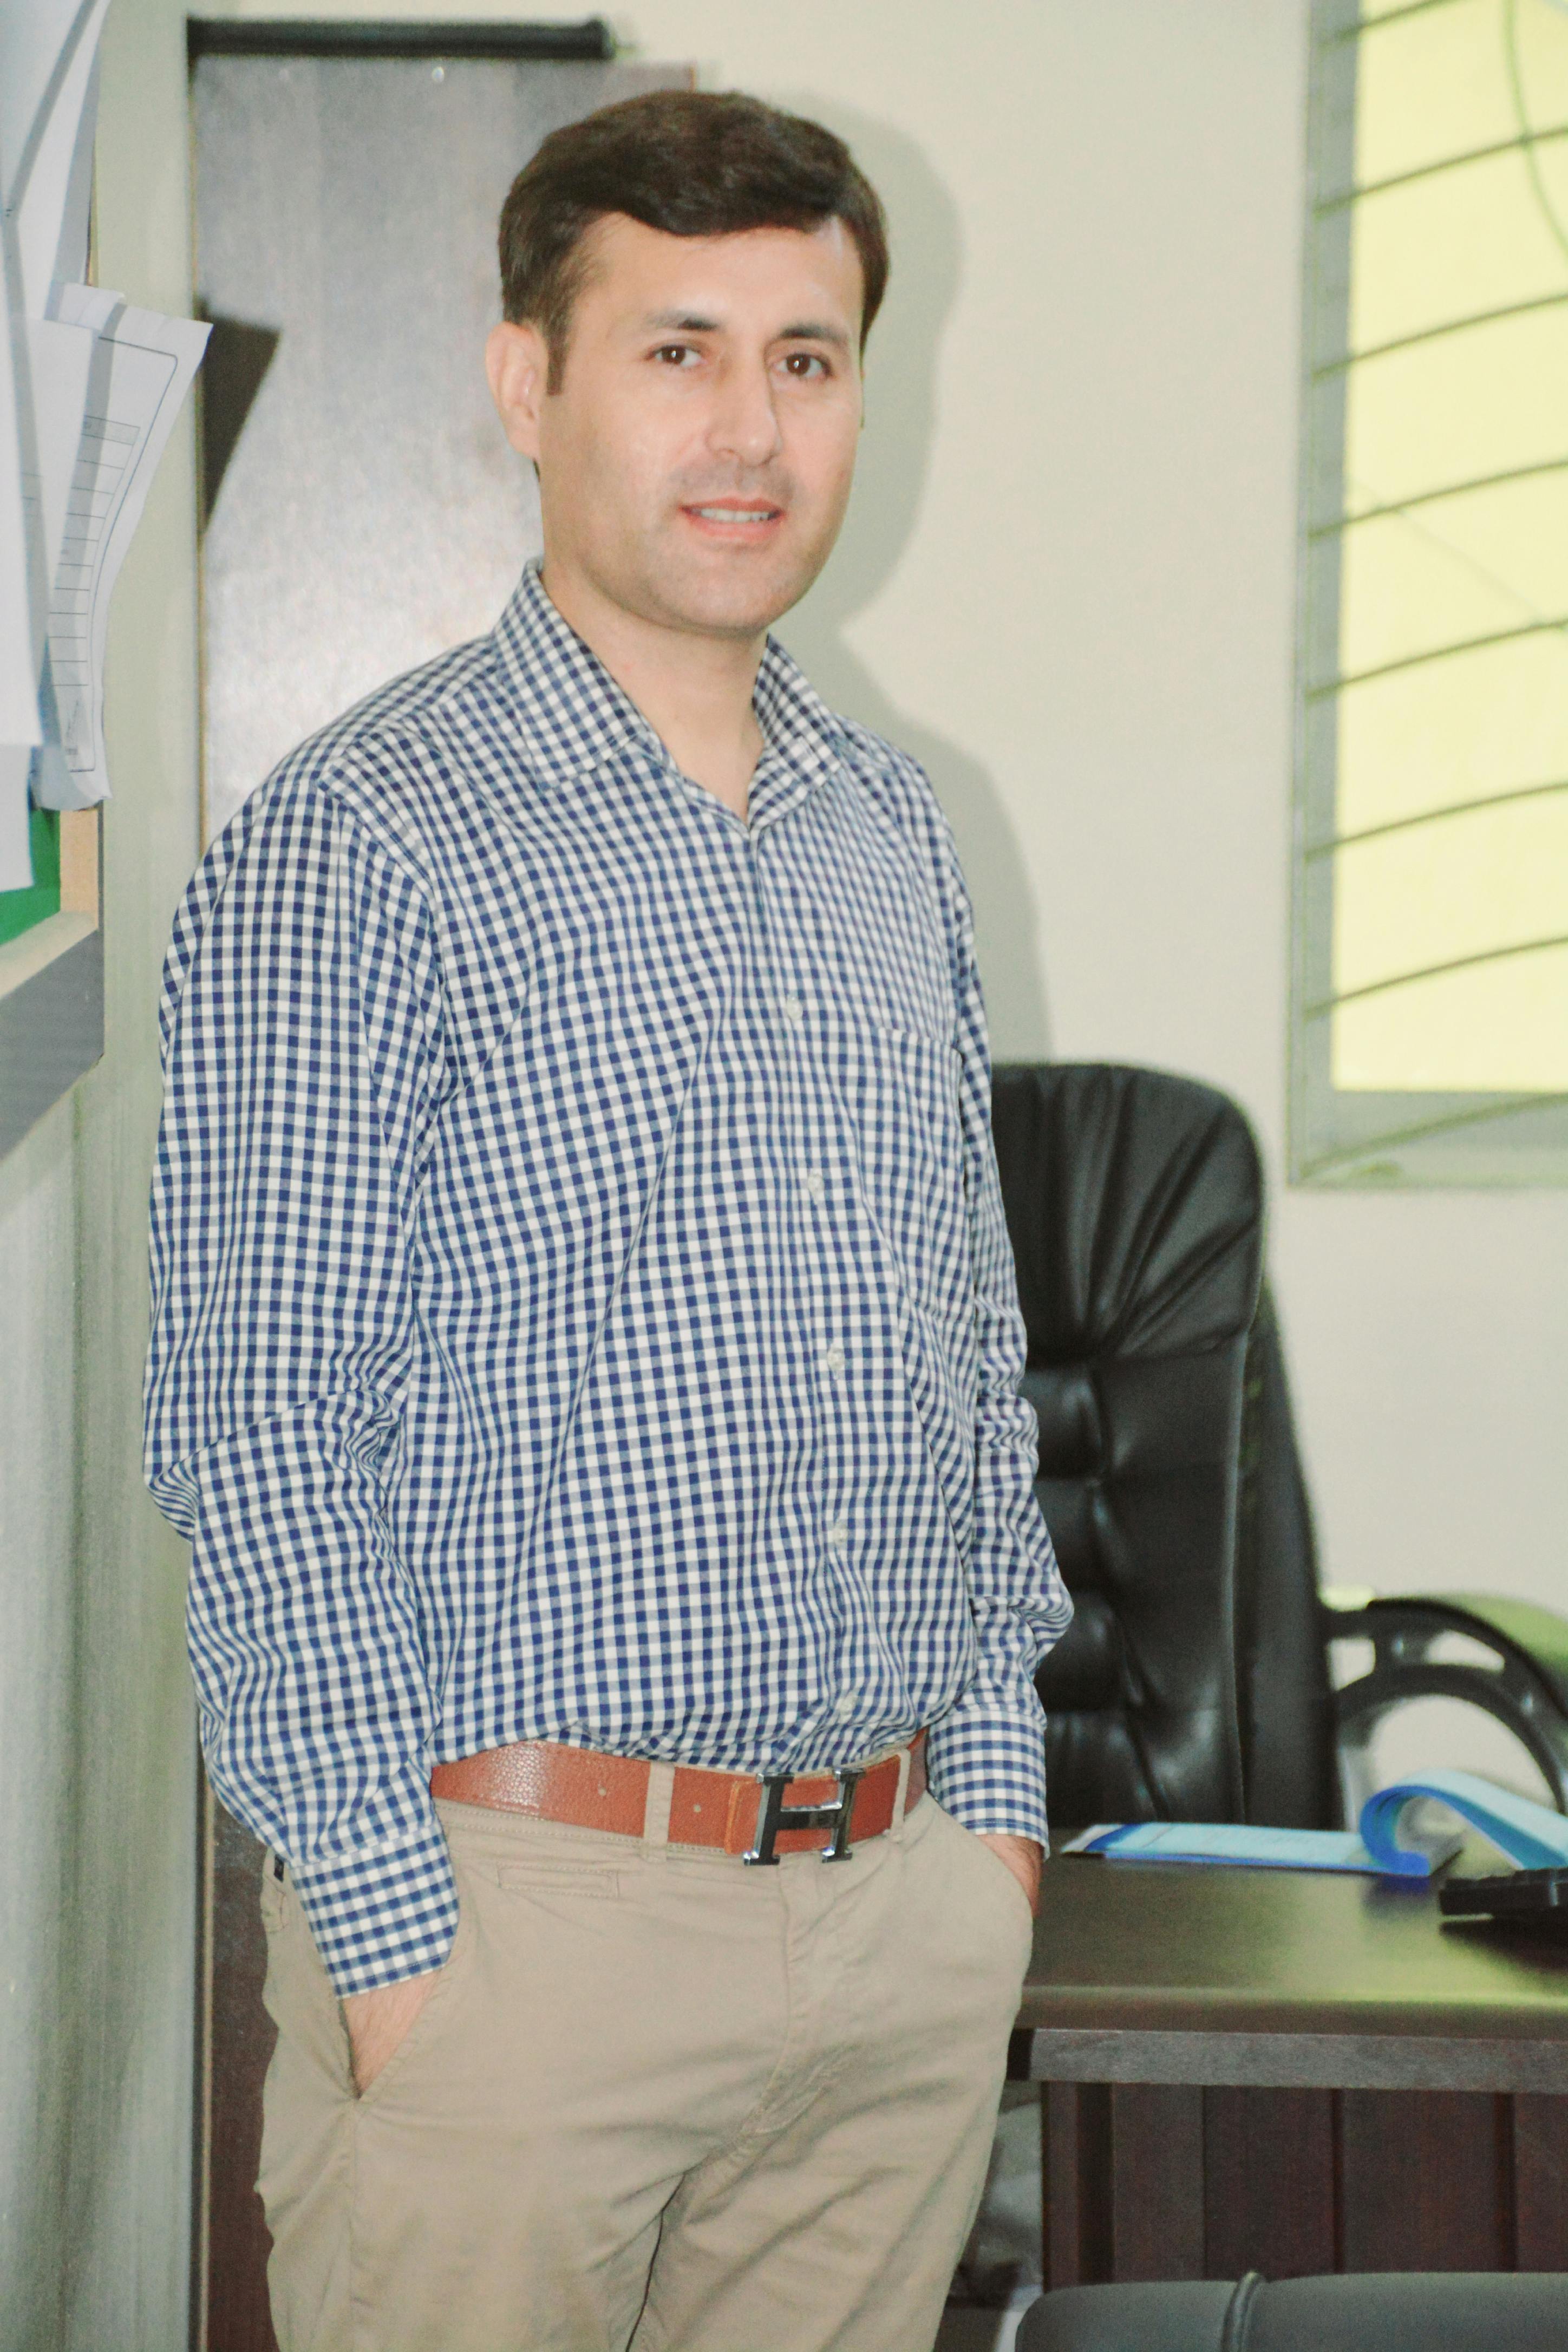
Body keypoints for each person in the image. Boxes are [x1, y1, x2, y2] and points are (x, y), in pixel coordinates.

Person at [145, 88, 1069, 2352]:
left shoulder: (892, 833)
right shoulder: (358, 842)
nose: (749, 429)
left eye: (805, 358)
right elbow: (258, 1433)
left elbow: (971, 1346)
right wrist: (396, 1943)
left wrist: (993, 1822)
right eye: (675, 353)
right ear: (526, 383)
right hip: (519, 1932)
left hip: (894, 1923)